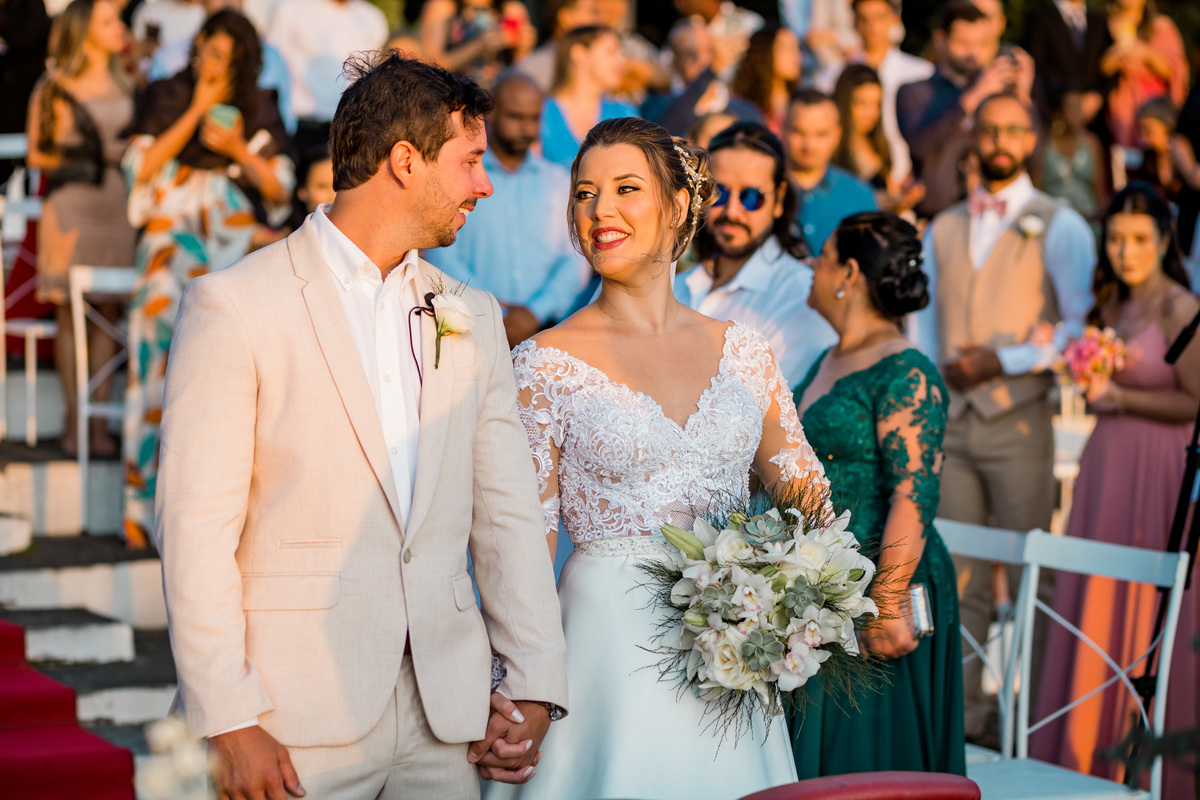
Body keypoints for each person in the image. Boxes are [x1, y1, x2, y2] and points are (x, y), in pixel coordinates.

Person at [155, 52, 568, 799]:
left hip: (449, 717)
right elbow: (194, 530)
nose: (485, 182)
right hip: (285, 717)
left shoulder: (469, 314)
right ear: (405, 161)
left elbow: (508, 513)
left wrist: (536, 681)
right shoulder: (236, 305)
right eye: (471, 161)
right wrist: (227, 716)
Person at [487, 114, 827, 800]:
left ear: (678, 207)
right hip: (602, 655)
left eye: (624, 188)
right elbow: (520, 547)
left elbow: (809, 503)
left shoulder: (746, 354)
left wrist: (782, 593)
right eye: (584, 193)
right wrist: (524, 687)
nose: (599, 210)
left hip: (731, 653)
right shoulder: (544, 363)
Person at [910, 92, 1096, 748]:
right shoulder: (943, 226)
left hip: (1018, 420)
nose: (999, 140)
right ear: (973, 138)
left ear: (1032, 138)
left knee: (1029, 573)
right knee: (956, 576)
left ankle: (1037, 730)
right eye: (988, 128)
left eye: (1013, 129)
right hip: (952, 425)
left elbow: (1079, 329)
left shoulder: (1062, 223)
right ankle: (967, 728)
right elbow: (923, 323)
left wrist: (1005, 359)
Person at [1032, 183, 1199, 800]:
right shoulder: (1112, 306)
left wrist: (1121, 397)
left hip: (1159, 469)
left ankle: (1152, 762)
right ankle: (1081, 749)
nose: (1125, 251)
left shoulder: (1181, 309)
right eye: (1117, 238)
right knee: (1096, 596)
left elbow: (1195, 399)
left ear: (1164, 241)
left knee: (1147, 604)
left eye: (1139, 239)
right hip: (1106, 466)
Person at [788, 211, 965, 776]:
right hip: (824, 579)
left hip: (881, 579)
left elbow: (914, 494)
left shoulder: (906, 370)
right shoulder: (828, 358)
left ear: (850, 273)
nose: (812, 268)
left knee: (870, 751)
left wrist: (885, 602)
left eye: (822, 257)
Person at [121, 9, 293, 548]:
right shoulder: (168, 93)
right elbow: (140, 170)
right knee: (156, 356)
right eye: (204, 51)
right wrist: (196, 108)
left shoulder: (259, 104)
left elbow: (282, 189)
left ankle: (219, 516)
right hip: (172, 229)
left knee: (230, 368)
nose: (210, 63)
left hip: (231, 231)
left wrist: (237, 150)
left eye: (222, 56)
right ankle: (141, 509)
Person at [24, 0, 136, 459]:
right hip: (73, 208)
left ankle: (99, 422)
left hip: (118, 207)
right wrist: (99, 155)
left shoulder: (129, 77)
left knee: (109, 309)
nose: (118, 27)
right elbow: (37, 155)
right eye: (107, 21)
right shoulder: (54, 85)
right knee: (73, 313)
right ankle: (75, 418)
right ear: (83, 30)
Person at [429, 73, 591, 347]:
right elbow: (442, 251)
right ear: (490, 116)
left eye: (534, 118)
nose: (527, 128)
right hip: (469, 329)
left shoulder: (559, 181)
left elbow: (576, 256)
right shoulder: (462, 178)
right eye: (516, 117)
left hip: (547, 333)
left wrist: (535, 313)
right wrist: (494, 312)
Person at [677, 121, 836, 388]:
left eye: (751, 198)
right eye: (720, 193)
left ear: (779, 200)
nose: (733, 212)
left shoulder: (802, 296)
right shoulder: (675, 284)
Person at [897, 0, 1035, 219]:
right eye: (963, 43)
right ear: (940, 40)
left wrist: (1022, 96)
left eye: (980, 44)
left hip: (993, 215)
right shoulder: (914, 92)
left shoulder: (997, 91)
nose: (973, 53)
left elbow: (1033, 153)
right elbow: (920, 145)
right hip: (934, 216)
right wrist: (974, 96)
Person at [814, 0, 933, 188]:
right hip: (852, 179)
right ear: (854, 22)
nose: (872, 27)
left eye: (879, 17)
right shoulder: (831, 77)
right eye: (864, 19)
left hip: (911, 182)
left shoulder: (921, 73)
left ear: (894, 20)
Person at [148, 0, 294, 133]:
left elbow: (282, 129)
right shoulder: (169, 58)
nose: (228, 1)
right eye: (215, 55)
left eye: (234, 63)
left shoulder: (272, 59)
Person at [265, 0, 387, 154]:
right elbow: (272, 73)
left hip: (348, 131)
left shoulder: (372, 19)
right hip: (298, 129)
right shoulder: (289, 9)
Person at [783, 89, 877, 257]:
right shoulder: (760, 192)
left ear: (836, 135)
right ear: (782, 130)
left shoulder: (861, 196)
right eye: (798, 132)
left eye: (820, 134)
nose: (809, 145)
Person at [833, 64, 925, 216]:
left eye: (876, 104)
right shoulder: (833, 149)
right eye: (862, 103)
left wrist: (902, 196)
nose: (871, 113)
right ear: (845, 101)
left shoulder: (878, 144)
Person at [540, 25, 637, 169]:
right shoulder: (541, 112)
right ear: (579, 54)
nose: (620, 61)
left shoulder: (624, 112)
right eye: (610, 52)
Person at [1101, 0, 1188, 150]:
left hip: (1154, 104)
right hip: (1121, 105)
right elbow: (1101, 68)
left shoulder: (1161, 26)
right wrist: (1116, 54)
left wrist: (1145, 54)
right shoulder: (1103, 25)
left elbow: (1173, 70)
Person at [1023, 0, 1110, 127]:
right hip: (1053, 117)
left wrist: (1098, 96)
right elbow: (1035, 66)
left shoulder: (1099, 21)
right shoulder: (1039, 18)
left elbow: (1111, 66)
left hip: (1097, 121)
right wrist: (1064, 97)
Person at [416, 0, 536, 88]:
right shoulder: (442, 6)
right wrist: (480, 45)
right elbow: (431, 65)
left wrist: (523, 49)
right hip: (455, 97)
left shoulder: (511, 9)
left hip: (498, 103)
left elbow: (521, 71)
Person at [1040, 89, 1106, 224]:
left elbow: (1099, 189)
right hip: (1053, 218)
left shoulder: (1092, 143)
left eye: (1079, 107)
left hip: (1087, 217)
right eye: (1072, 108)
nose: (1078, 113)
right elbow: (1038, 186)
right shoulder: (1044, 143)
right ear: (1058, 112)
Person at [513, 0, 601, 94]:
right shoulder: (532, 70)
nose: (600, 19)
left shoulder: (601, 64)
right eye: (593, 12)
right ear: (566, 17)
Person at [730, 24, 801, 136]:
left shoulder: (799, 101)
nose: (796, 55)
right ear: (765, 52)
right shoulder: (743, 107)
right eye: (787, 48)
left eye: (797, 48)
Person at [1126, 97, 1200, 207]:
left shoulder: (1187, 153)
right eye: (1141, 130)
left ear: (1166, 124)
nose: (1143, 137)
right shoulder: (1149, 158)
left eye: (1148, 129)